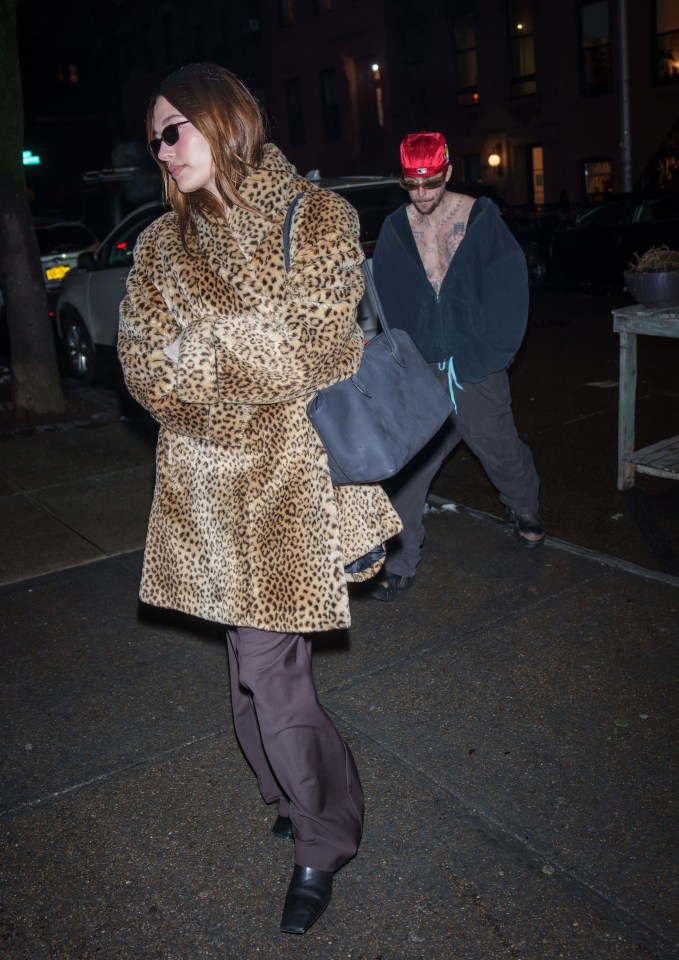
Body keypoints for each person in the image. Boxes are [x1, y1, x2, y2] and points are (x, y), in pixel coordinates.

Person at [118, 63, 401, 934]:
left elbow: (312, 348)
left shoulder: (316, 218)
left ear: (224, 122)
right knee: (247, 680)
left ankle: (324, 835)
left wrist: (195, 354)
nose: (161, 150)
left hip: (287, 489)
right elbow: (139, 367)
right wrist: (224, 355)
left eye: (175, 130)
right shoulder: (159, 246)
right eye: (154, 137)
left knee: (270, 680)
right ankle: (285, 790)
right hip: (203, 496)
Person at [369, 131, 544, 602]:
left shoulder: (481, 219)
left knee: (498, 448)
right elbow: (385, 298)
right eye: (412, 185)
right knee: (410, 464)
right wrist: (400, 357)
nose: (422, 195)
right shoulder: (395, 229)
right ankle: (402, 559)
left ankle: (524, 507)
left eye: (430, 183)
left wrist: (484, 356)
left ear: (446, 171)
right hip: (421, 367)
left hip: (474, 363)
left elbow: (509, 293)